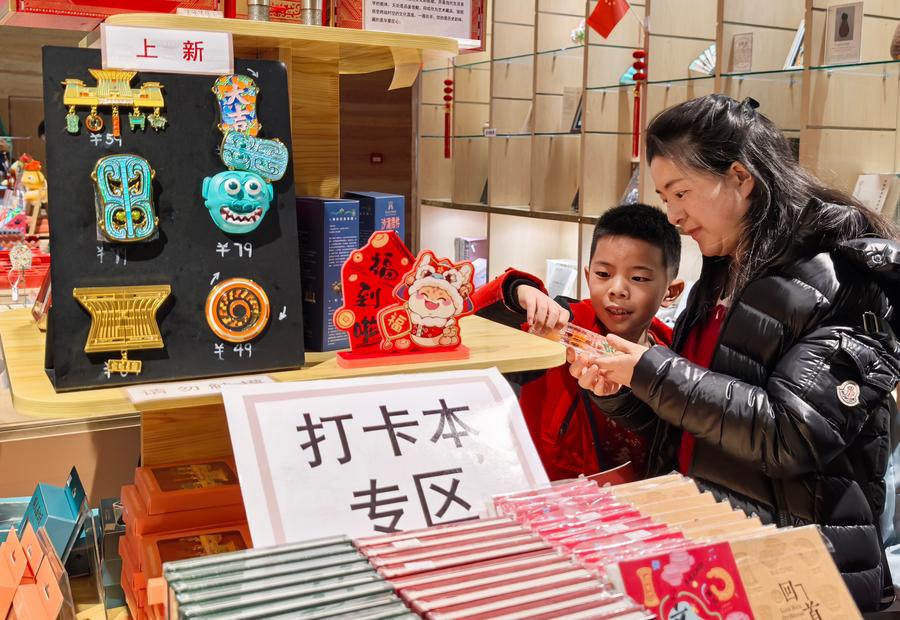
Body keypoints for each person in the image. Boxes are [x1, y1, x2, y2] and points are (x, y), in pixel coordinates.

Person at [569, 94, 900, 611]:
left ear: (741, 178)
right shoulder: (723, 270)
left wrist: (654, 372)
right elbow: (699, 423)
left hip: (799, 568)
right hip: (716, 552)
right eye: (664, 197)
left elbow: (791, 435)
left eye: (682, 193)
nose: (674, 216)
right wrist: (624, 389)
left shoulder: (840, 280)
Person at [473, 203, 683, 480]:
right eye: (603, 274)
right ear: (587, 275)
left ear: (671, 292)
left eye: (638, 278)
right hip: (559, 490)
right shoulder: (564, 326)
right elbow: (476, 321)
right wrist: (518, 290)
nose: (617, 290)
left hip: (646, 495)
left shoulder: (674, 354)